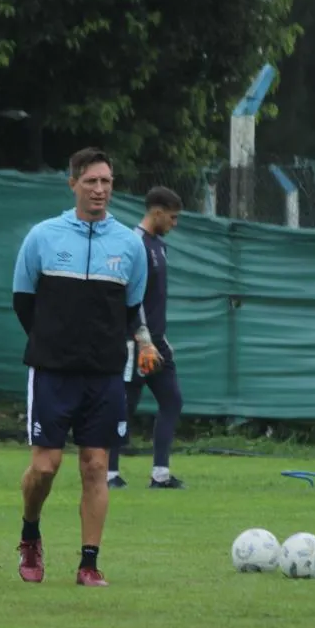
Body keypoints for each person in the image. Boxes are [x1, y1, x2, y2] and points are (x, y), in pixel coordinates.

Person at [11, 147, 155, 587]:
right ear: (72, 183)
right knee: (45, 467)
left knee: (96, 466)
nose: (99, 190)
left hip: (106, 374)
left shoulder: (130, 245)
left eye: (107, 182)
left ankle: (88, 563)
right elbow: (23, 301)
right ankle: (30, 534)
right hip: (52, 372)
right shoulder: (43, 236)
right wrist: (54, 344)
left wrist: (140, 342)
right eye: (91, 181)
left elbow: (132, 309)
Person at [108, 186, 185, 490]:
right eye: (172, 217)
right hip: (135, 343)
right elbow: (131, 295)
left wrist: (160, 338)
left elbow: (155, 299)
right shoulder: (134, 243)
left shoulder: (160, 246)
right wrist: (142, 338)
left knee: (172, 400)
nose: (174, 224)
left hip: (157, 341)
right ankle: (109, 474)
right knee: (124, 406)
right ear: (157, 212)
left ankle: (160, 475)